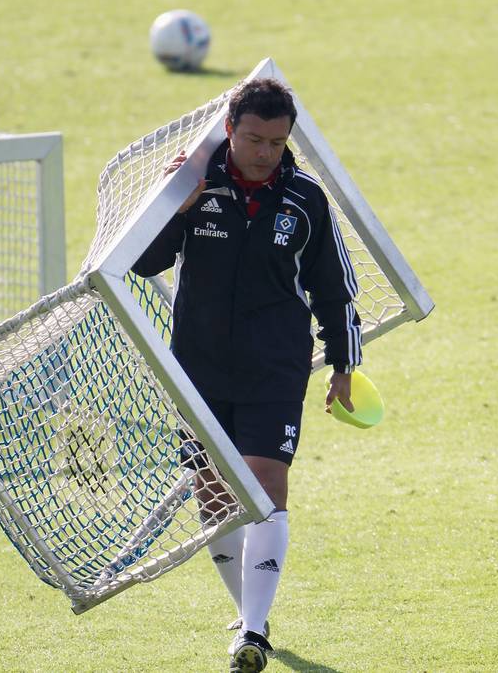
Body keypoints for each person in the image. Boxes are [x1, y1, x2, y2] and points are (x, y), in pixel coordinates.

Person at [131, 78, 362, 673]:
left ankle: (254, 633)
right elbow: (143, 261)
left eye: (278, 141)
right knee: (215, 497)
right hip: (197, 368)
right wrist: (173, 208)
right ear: (229, 131)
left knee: (263, 489)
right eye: (254, 138)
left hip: (274, 367)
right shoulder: (192, 184)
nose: (265, 152)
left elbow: (334, 288)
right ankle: (250, 614)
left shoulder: (306, 199)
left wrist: (343, 365)